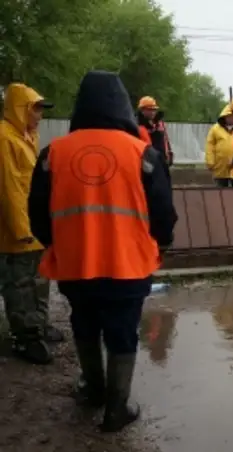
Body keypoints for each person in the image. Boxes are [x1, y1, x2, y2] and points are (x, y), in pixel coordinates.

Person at [27, 71, 177, 432]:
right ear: (123, 106)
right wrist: (159, 244)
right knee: (122, 333)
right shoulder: (144, 154)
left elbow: (36, 213)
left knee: (84, 323)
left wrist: (56, 245)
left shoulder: (53, 154)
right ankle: (116, 409)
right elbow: (164, 216)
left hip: (74, 265)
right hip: (128, 266)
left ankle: (92, 390)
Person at [0, 83, 65, 364]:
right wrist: (22, 229)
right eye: (36, 108)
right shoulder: (4, 138)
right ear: (20, 108)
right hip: (16, 233)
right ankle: (25, 338)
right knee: (19, 284)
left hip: (32, 227)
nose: (39, 114)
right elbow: (9, 188)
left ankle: (38, 325)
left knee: (40, 279)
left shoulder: (26, 136)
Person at [204, 105, 233, 187]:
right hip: (220, 166)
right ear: (224, 117)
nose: (230, 118)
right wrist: (210, 162)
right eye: (228, 116)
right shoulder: (215, 129)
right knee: (219, 191)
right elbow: (210, 145)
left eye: (232, 116)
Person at [137, 96, 173, 167]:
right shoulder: (137, 124)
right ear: (142, 110)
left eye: (154, 110)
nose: (153, 112)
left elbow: (165, 139)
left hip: (161, 160)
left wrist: (169, 153)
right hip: (145, 163)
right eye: (150, 110)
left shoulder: (160, 123)